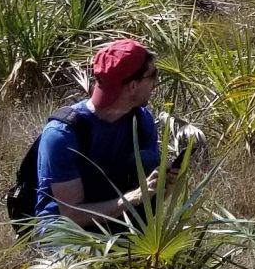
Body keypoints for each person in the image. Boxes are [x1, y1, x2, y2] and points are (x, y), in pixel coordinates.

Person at [35, 36, 175, 228]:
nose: (156, 82)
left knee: (149, 161)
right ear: (133, 86)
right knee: (85, 256)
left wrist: (163, 187)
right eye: (153, 75)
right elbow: (71, 214)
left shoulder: (141, 120)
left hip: (116, 215)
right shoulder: (62, 134)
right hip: (64, 227)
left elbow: (147, 199)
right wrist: (133, 198)